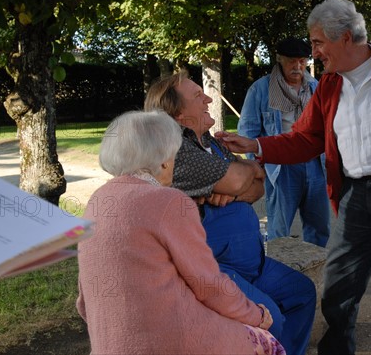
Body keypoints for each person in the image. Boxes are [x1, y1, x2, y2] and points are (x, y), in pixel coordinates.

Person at [217, 0, 371, 355]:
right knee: (337, 291)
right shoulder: (331, 84)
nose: (314, 53)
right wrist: (255, 144)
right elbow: (306, 138)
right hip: (354, 196)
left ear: (346, 38)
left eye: (318, 43)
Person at [76, 110, 284, 355]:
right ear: (164, 160)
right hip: (172, 342)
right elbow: (209, 284)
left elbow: (83, 301)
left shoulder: (97, 201)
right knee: (268, 342)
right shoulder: (169, 201)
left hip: (109, 345)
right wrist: (256, 315)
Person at [144, 72, 316, 355]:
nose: (209, 98)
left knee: (301, 293)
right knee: (270, 319)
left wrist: (237, 184)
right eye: (198, 96)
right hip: (215, 268)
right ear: (176, 113)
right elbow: (240, 179)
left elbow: (258, 186)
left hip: (251, 262)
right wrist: (241, 178)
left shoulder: (213, 144)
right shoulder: (176, 149)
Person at [238, 37, 330, 247]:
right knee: (279, 230)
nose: (297, 66)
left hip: (316, 164)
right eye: (291, 61)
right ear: (279, 59)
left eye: (302, 61)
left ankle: (316, 274)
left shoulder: (316, 87)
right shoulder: (261, 89)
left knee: (320, 227)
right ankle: (281, 274)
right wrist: (257, 164)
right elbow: (247, 131)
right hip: (281, 166)